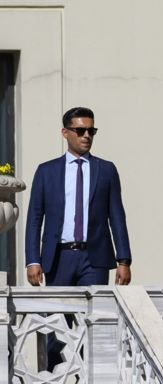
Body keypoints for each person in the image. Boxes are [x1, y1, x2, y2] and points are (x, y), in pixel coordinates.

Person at [25, 107, 132, 287]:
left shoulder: (106, 170)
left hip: (95, 259)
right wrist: (33, 260)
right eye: (81, 131)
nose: (87, 136)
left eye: (91, 131)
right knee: (58, 306)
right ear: (65, 132)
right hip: (58, 258)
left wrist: (124, 260)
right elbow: (34, 219)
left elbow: (117, 217)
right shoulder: (46, 172)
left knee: (96, 306)